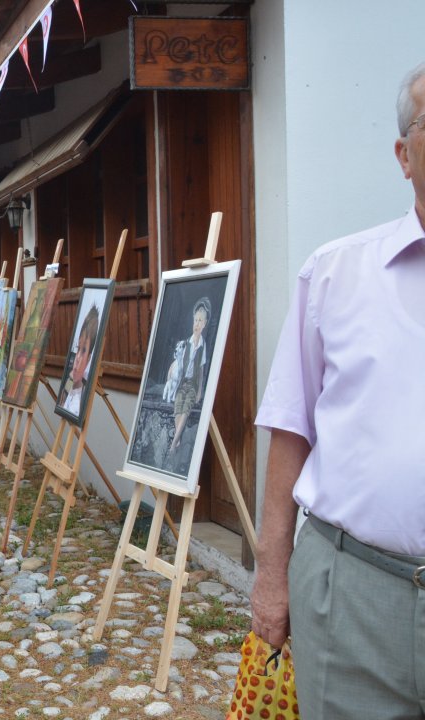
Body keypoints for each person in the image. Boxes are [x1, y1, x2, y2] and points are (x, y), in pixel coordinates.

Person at [250, 62, 425, 718]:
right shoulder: (334, 274)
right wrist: (271, 575)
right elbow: (291, 427)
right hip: (354, 597)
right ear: (404, 155)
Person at [164, 298, 210, 454]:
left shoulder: (202, 347)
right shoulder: (186, 343)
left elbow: (201, 371)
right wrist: (171, 374)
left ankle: (173, 445)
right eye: (195, 320)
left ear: (204, 324)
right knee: (178, 405)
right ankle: (178, 441)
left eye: (200, 321)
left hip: (192, 384)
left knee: (187, 406)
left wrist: (200, 391)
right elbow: (177, 362)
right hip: (181, 383)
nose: (197, 324)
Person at [56, 304, 101, 417]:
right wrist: (70, 379)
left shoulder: (83, 395)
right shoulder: (70, 381)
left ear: (90, 358)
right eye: (78, 348)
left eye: (84, 350)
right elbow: (62, 403)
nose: (77, 358)